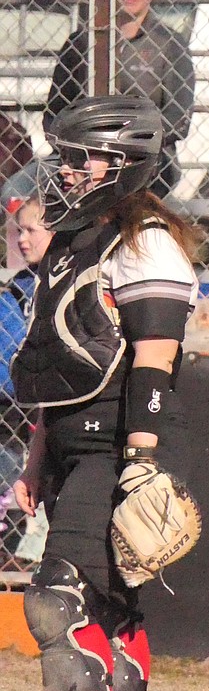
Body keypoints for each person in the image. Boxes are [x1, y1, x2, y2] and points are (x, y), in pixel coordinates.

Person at [12, 95, 199, 691]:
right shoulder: (72, 240)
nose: (66, 171)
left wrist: (141, 459)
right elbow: (53, 360)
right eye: (64, 157)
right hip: (70, 441)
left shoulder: (145, 243)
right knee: (108, 612)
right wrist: (39, 452)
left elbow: (156, 354)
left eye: (83, 158)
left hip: (116, 445)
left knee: (58, 601)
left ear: (126, 165)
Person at [43, 0, 194, 197]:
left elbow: (178, 120)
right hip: (80, 160)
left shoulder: (170, 45)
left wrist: (123, 146)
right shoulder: (80, 43)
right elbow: (53, 114)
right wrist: (83, 150)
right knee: (17, 192)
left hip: (147, 163)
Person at [4, 198, 52, 565]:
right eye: (18, 230)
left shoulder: (62, 280)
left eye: (31, 230)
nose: (22, 239)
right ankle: (13, 543)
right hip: (12, 402)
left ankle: (35, 551)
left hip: (51, 397)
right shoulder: (17, 288)